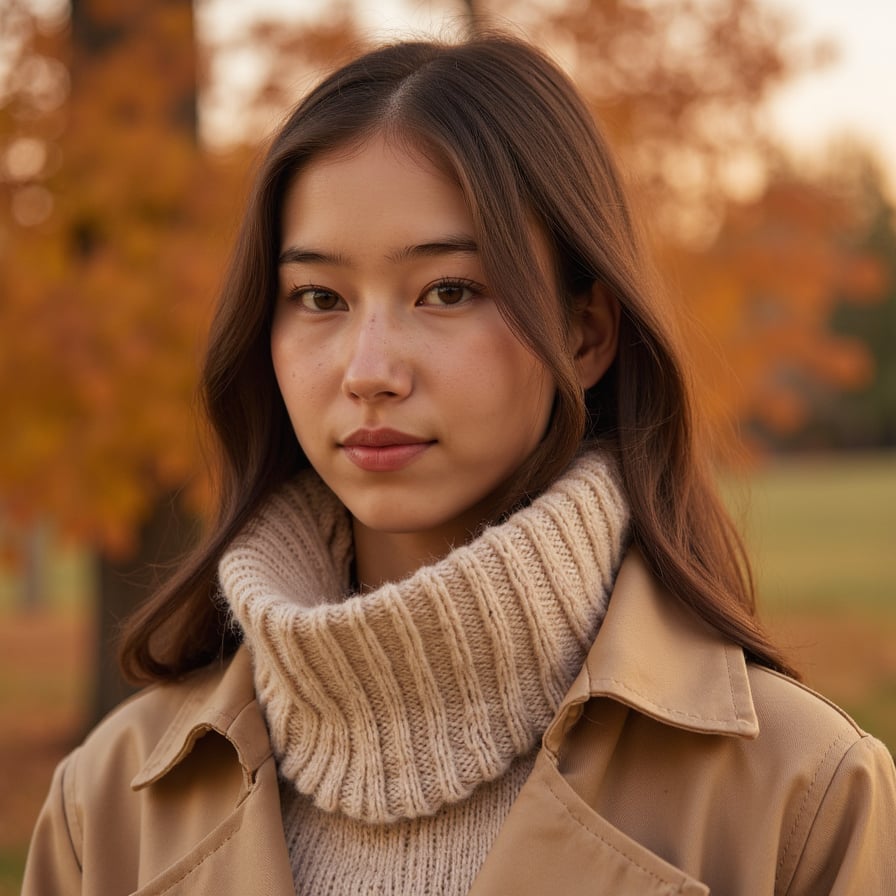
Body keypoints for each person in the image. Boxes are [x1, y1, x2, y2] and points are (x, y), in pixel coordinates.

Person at [23, 33, 896, 895]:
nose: (369, 371)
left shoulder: (804, 797)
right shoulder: (106, 809)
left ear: (585, 332)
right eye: (319, 297)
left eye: (448, 291)